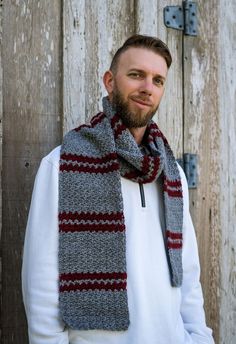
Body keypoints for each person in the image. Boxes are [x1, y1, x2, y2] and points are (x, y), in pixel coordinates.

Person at [22, 34, 215, 344]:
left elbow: (188, 274)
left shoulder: (171, 172)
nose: (147, 88)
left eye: (157, 80)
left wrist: (198, 337)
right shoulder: (63, 165)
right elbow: (41, 281)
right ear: (110, 81)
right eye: (136, 75)